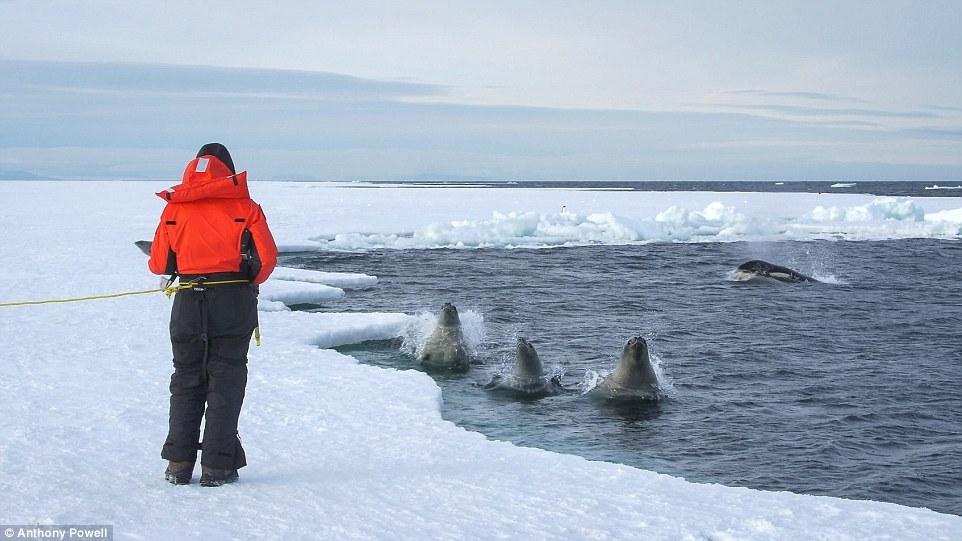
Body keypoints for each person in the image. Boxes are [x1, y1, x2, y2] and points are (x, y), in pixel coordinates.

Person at [148, 143, 277, 486]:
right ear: (228, 170)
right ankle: (217, 467)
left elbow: (159, 263)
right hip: (233, 301)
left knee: (187, 377)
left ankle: (178, 463)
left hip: (188, 300)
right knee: (226, 377)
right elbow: (266, 261)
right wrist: (244, 278)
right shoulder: (246, 207)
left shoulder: (174, 208)